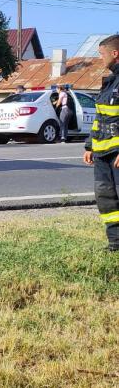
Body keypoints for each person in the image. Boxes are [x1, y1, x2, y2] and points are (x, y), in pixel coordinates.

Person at [83, 34, 119, 252]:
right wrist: (89, 146)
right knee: (106, 198)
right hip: (102, 153)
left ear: (115, 54)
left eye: (102, 54)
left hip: (117, 153)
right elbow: (101, 117)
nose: (100, 58)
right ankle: (115, 242)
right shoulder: (109, 82)